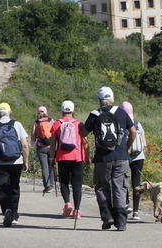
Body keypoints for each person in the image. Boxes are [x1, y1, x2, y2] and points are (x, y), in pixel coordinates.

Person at [81, 86, 136, 231]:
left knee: (101, 187)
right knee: (120, 188)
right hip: (121, 157)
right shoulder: (122, 112)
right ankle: (121, 222)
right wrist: (127, 147)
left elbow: (83, 133)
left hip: (102, 158)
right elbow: (133, 131)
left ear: (100, 100)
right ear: (112, 98)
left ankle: (107, 217)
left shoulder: (94, 114)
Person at [0, 102, 29, 227]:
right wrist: (26, 161)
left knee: (2, 188)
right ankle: (14, 214)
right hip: (16, 161)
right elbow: (25, 145)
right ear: (10, 112)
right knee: (14, 187)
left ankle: (6, 210)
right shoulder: (17, 124)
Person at [49, 100, 86, 219]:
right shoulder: (79, 124)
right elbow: (85, 142)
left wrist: (51, 157)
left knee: (64, 181)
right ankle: (77, 210)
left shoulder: (57, 123)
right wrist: (87, 157)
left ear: (62, 110)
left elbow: (53, 142)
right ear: (73, 110)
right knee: (77, 184)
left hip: (62, 157)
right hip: (77, 157)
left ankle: (67, 203)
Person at [119, 101, 146, 221]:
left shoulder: (121, 123)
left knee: (123, 180)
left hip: (125, 155)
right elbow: (144, 144)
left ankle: (126, 205)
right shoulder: (138, 124)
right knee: (136, 183)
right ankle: (136, 212)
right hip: (139, 157)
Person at [31, 106, 55, 193]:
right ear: (46, 112)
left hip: (41, 147)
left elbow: (33, 136)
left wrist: (32, 143)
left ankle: (47, 186)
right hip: (51, 147)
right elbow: (56, 132)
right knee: (51, 165)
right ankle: (52, 184)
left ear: (38, 113)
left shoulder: (36, 123)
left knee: (44, 167)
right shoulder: (51, 120)